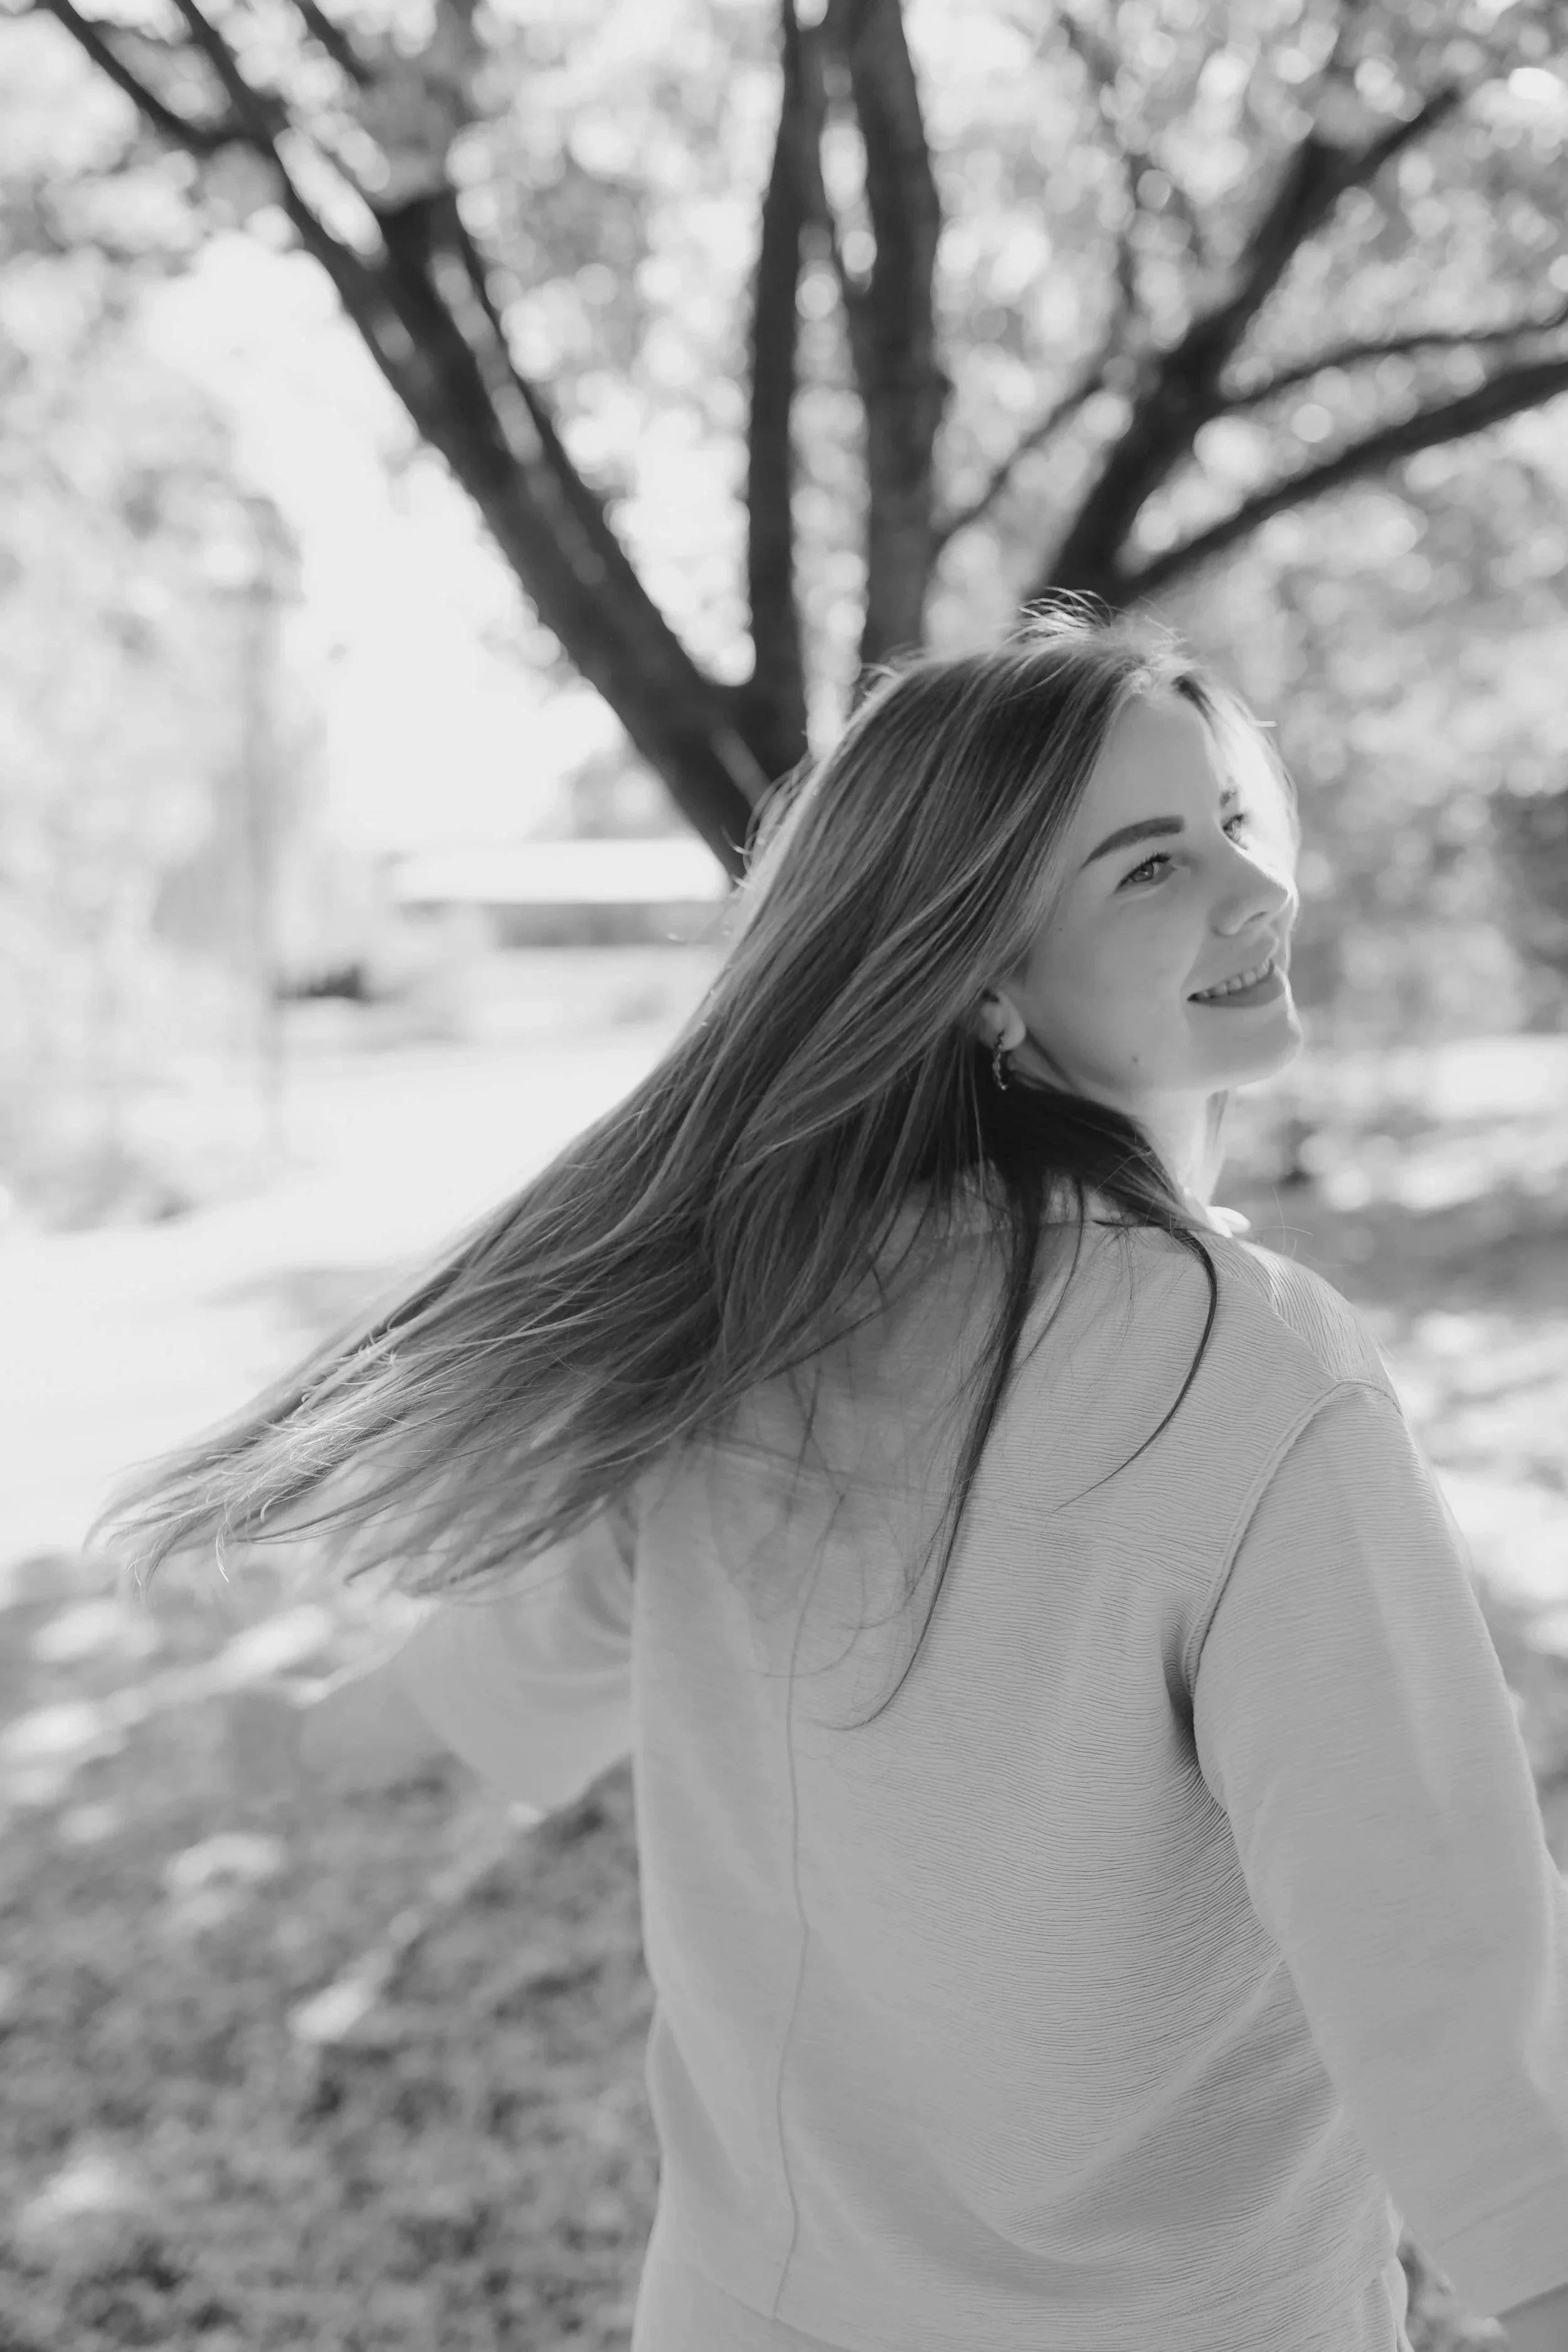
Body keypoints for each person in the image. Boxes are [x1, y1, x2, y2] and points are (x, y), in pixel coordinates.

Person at [88, 600, 1568, 2351]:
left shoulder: (758, 1323)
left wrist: (307, 1741)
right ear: (984, 981)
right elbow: (1443, 1959)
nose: (1257, 895)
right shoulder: (1250, 1378)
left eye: (1232, 828)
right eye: (1148, 866)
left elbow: (528, 1651)